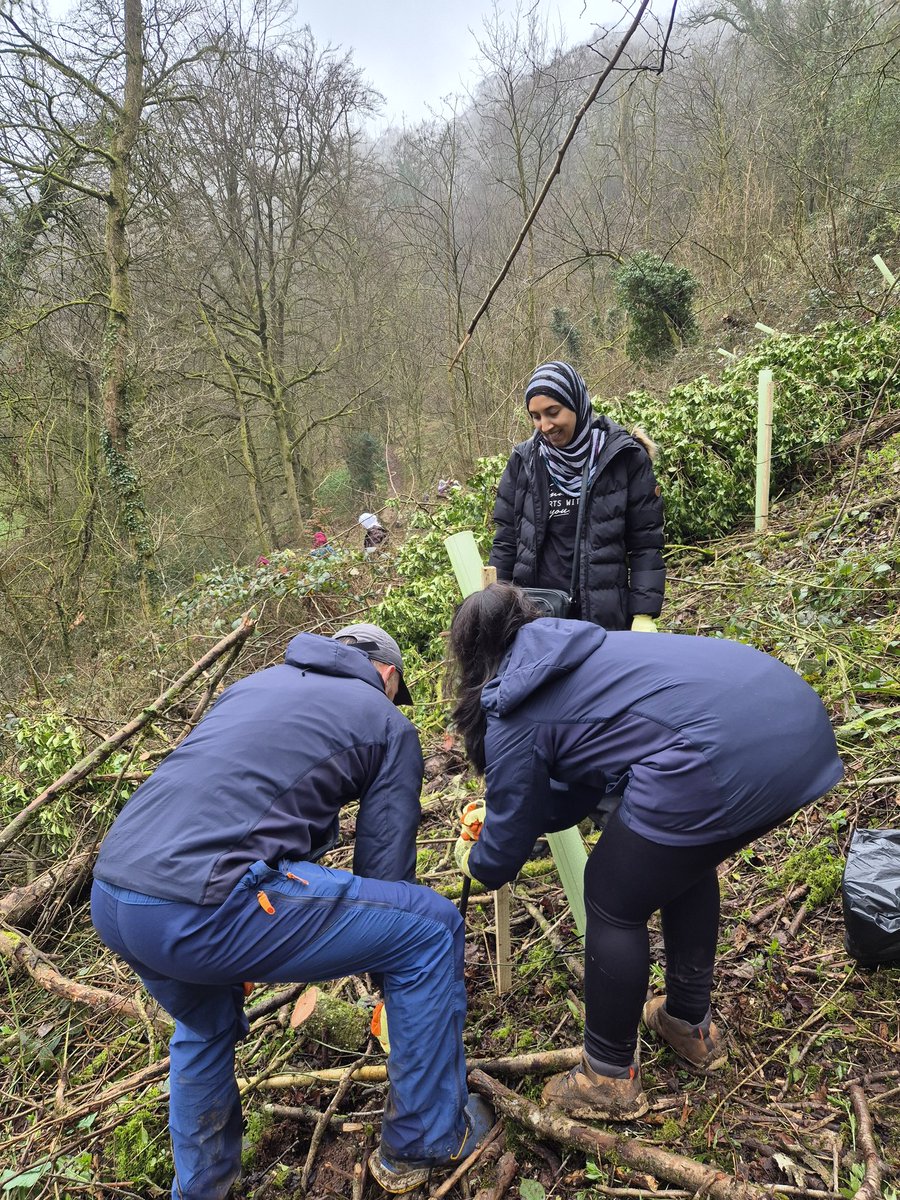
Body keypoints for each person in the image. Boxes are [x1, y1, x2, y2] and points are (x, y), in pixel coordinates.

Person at [91, 622, 492, 1199]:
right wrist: (392, 978)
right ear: (387, 674)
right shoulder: (386, 721)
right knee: (430, 929)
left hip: (114, 896)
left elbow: (241, 805)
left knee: (203, 1024)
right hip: (207, 904)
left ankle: (200, 1190)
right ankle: (426, 1140)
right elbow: (384, 868)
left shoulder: (254, 686)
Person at [448, 583, 843, 1121]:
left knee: (612, 896)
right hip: (794, 724)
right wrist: (525, 814)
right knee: (684, 859)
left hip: (721, 752)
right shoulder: (580, 653)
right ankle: (688, 1022)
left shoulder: (512, 708)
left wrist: (475, 857)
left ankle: (608, 1076)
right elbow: (578, 789)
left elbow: (504, 849)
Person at [489, 360, 665, 631]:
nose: (545, 426)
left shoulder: (623, 458)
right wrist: (493, 606)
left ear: (577, 403)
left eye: (553, 412)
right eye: (536, 417)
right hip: (537, 619)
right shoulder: (524, 461)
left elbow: (645, 542)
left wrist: (644, 613)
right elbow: (506, 542)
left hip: (603, 619)